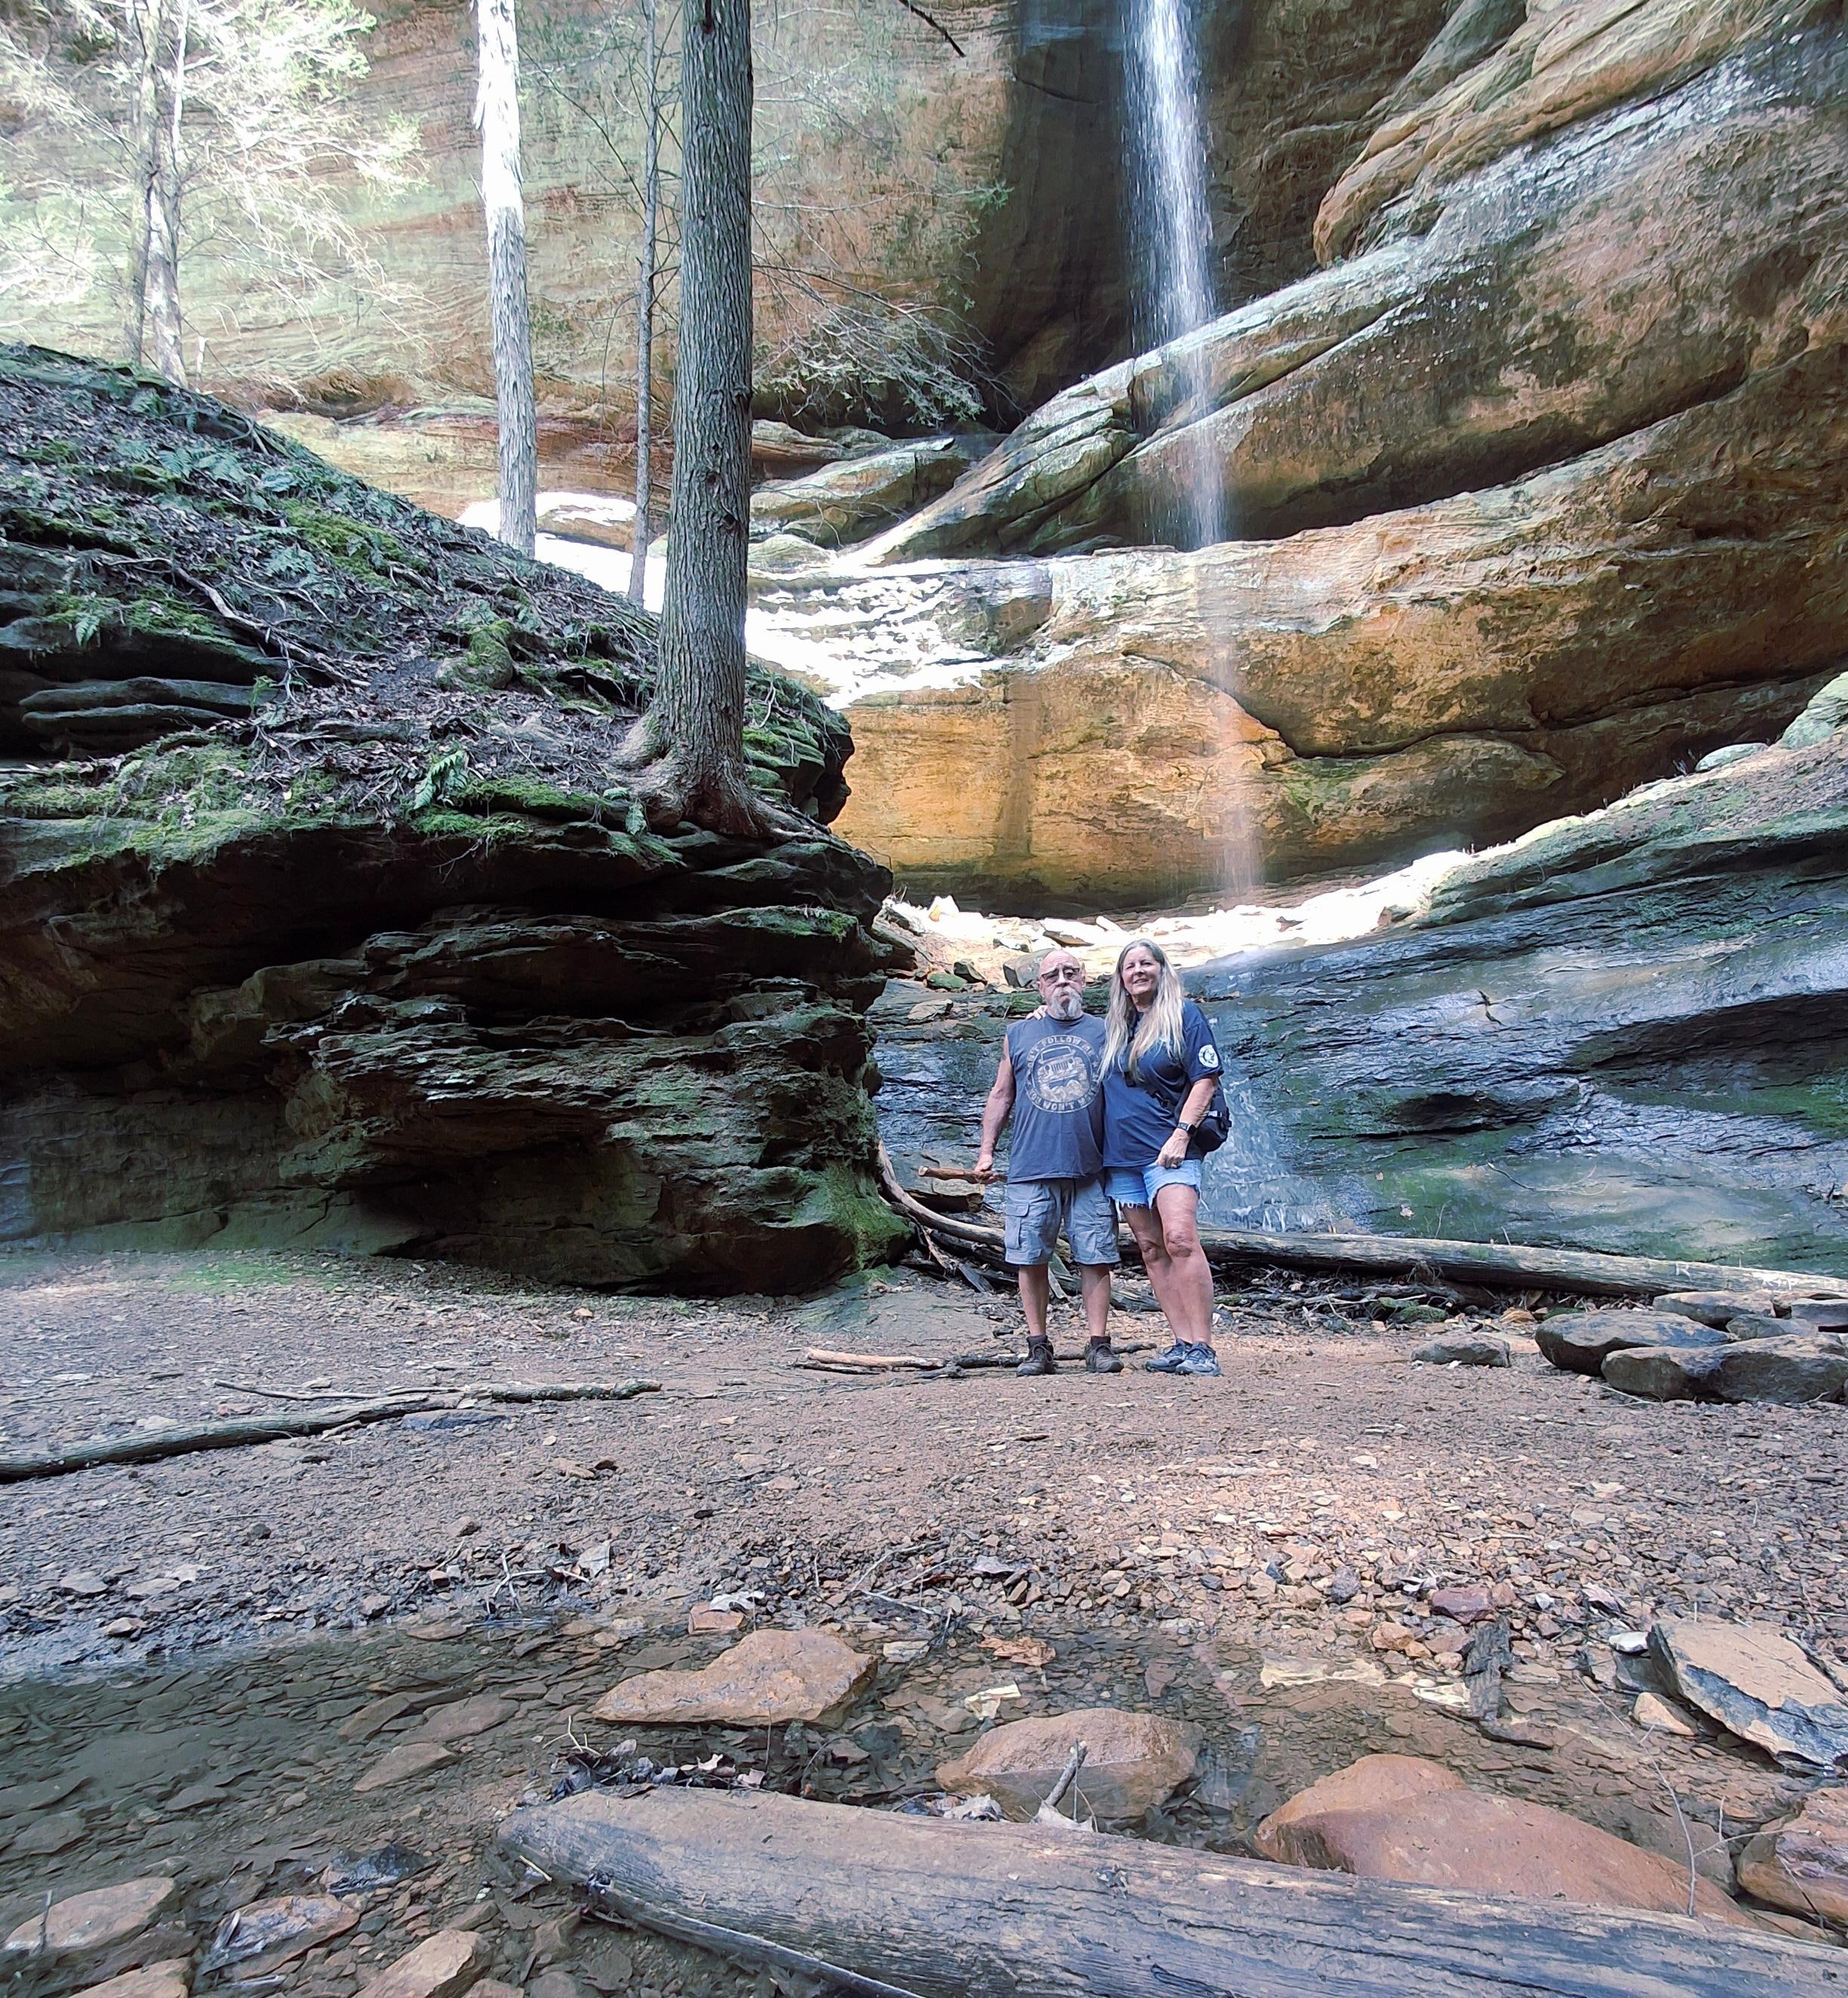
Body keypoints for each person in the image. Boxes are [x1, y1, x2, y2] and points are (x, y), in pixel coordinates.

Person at [971, 948, 1123, 1378]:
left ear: (1084, 981)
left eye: (1070, 973)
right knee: (1030, 1258)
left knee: (1096, 1257)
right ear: (1038, 987)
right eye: (1051, 975)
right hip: (1030, 1167)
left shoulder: (1109, 1030)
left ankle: (1098, 1345)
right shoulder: (1018, 1033)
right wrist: (986, 1150)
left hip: (1091, 1167)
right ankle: (1038, 1347)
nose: (1061, 980)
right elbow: (1002, 1094)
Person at [1101, 938, 1224, 1378]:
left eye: (1146, 963)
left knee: (1180, 1240)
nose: (1138, 971)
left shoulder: (1184, 1016)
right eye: (1129, 965)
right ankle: (1181, 1343)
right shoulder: (1114, 1027)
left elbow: (1205, 1079)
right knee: (1151, 1249)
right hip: (1123, 1158)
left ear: (1161, 969)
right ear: (1121, 978)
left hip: (1170, 1152)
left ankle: (1204, 1348)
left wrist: (1181, 1134)